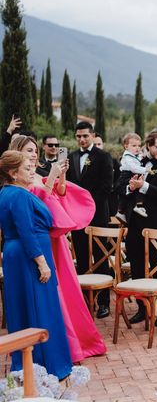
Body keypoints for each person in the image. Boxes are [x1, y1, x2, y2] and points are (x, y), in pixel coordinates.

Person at [10, 135, 106, 362]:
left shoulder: (36, 176)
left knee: (67, 288)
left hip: (55, 240)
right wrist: (51, 178)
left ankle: (78, 340)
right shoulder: (18, 181)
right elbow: (38, 208)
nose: (34, 155)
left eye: (34, 150)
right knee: (54, 292)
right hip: (41, 241)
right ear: (17, 153)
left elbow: (56, 197)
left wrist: (59, 176)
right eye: (29, 150)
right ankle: (63, 344)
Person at [0, 150, 73, 378]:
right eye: (26, 167)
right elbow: (26, 231)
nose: (32, 168)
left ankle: (30, 365)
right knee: (39, 306)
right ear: (13, 173)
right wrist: (41, 263)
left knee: (22, 307)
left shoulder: (7, 192)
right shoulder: (19, 195)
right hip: (28, 255)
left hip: (18, 254)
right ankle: (47, 366)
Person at [118, 129, 157, 327]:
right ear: (149, 146)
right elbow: (120, 186)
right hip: (134, 222)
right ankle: (142, 309)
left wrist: (143, 187)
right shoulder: (135, 162)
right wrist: (130, 188)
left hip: (155, 222)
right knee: (136, 266)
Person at [66, 121, 114, 319]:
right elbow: (68, 186)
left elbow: (106, 187)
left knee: (101, 259)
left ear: (92, 135)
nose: (82, 139)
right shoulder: (71, 157)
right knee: (83, 259)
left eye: (85, 136)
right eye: (78, 136)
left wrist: (86, 206)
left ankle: (103, 302)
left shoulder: (103, 157)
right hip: (77, 219)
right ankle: (86, 301)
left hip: (97, 216)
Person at [115, 133, 150, 224]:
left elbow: (142, 159)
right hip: (127, 175)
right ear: (126, 146)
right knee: (135, 188)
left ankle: (121, 211)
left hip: (132, 174)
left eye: (139, 145)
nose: (137, 148)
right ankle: (138, 206)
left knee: (134, 189)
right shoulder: (127, 156)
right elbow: (133, 168)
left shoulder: (136, 155)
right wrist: (145, 170)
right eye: (134, 145)